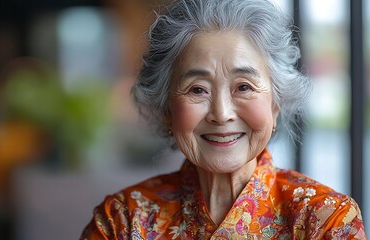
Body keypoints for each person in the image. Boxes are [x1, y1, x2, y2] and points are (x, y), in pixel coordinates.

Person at [80, 0, 367, 239]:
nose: (221, 113)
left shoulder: (325, 219)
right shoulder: (123, 221)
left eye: (243, 87)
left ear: (276, 104)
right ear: (167, 109)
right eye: (197, 90)